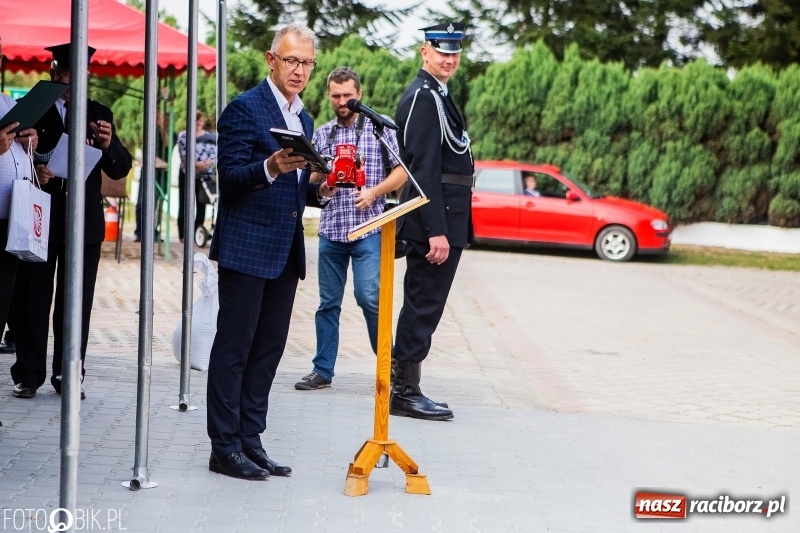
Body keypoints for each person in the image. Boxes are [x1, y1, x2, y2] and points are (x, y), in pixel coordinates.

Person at [207, 24, 335, 481]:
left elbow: (299, 191)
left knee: (268, 351)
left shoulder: (304, 119)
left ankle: (249, 438)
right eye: (292, 60)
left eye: (307, 63)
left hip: (285, 251)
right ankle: (223, 447)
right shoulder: (244, 109)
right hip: (246, 248)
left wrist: (324, 187)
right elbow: (231, 180)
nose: (300, 70)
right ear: (271, 59)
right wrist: (271, 167)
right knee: (234, 349)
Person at [10, 42, 132, 400]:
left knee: (76, 300)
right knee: (33, 297)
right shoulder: (33, 107)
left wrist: (110, 145)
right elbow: (15, 156)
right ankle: (28, 374)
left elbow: (120, 166)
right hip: (40, 215)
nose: (68, 82)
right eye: (63, 74)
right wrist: (36, 167)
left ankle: (68, 372)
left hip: (83, 220)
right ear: (52, 73)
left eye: (76, 75)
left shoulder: (98, 112)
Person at [293, 67, 407, 391]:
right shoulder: (323, 133)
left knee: (369, 296)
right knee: (327, 303)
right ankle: (322, 371)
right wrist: (325, 185)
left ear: (360, 95)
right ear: (329, 95)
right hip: (331, 230)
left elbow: (401, 173)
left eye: (348, 96)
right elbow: (311, 180)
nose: (342, 101)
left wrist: (373, 191)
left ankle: (390, 365)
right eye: (336, 96)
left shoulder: (378, 128)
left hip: (369, 229)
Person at [391, 22, 474, 421]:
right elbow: (422, 168)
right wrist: (435, 229)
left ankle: (408, 386)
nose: (449, 59)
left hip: (449, 215)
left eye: (455, 52)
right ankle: (404, 390)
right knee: (422, 304)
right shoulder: (423, 97)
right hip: (435, 222)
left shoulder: (438, 95)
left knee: (428, 305)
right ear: (425, 51)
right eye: (442, 51)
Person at [0, 34, 39, 361]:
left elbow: (20, 154)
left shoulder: (7, 102)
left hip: (9, 219)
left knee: (3, 303)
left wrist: (30, 142)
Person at [176, 110, 216, 243]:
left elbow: (214, 153)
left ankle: (195, 233)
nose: (198, 122)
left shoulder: (211, 137)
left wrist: (207, 163)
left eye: (200, 120)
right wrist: (196, 164)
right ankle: (183, 234)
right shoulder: (183, 136)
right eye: (195, 119)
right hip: (187, 174)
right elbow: (183, 155)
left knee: (201, 204)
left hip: (205, 176)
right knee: (185, 203)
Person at [133, 109, 170, 242]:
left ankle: (150, 231)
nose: (156, 118)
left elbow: (165, 153)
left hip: (159, 172)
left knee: (154, 203)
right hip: (151, 170)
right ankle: (142, 231)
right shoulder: (152, 131)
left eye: (158, 116)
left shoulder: (165, 135)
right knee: (144, 202)